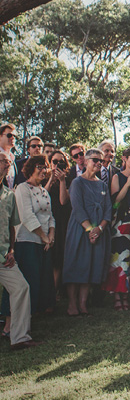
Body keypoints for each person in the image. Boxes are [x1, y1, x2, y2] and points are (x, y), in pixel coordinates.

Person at [63, 149, 112, 316]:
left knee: (91, 265)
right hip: (80, 229)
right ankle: (72, 304)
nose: (99, 163)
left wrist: (100, 229)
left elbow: (108, 210)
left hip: (99, 229)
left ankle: (83, 303)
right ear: (86, 162)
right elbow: (77, 208)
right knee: (77, 264)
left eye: (101, 160)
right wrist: (90, 230)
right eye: (95, 160)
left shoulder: (103, 185)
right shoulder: (77, 183)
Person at [0, 150, 40, 350]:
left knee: (21, 288)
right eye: (2, 161)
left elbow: (12, 226)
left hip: (5, 258)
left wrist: (12, 250)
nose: (6, 165)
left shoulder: (9, 194)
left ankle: (19, 337)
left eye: (8, 162)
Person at [8, 155, 56, 317]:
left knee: (40, 281)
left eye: (45, 167)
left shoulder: (44, 191)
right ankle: (16, 317)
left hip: (43, 242)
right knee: (28, 279)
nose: (44, 170)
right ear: (31, 168)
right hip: (26, 241)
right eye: (40, 167)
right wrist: (43, 237)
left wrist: (51, 235)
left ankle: (33, 313)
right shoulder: (23, 188)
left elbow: (50, 216)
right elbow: (27, 216)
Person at [103, 147, 130, 310]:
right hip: (121, 222)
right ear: (124, 159)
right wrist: (127, 185)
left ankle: (127, 293)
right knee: (119, 258)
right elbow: (115, 201)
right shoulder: (117, 177)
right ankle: (117, 296)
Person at [45, 149, 71, 294]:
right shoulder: (44, 177)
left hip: (60, 220)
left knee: (58, 256)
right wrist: (51, 178)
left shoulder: (68, 178)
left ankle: (54, 292)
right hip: (46, 219)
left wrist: (61, 181)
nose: (57, 165)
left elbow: (63, 201)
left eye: (61, 162)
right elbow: (43, 195)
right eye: (55, 161)